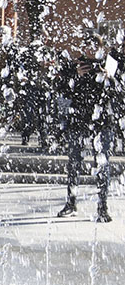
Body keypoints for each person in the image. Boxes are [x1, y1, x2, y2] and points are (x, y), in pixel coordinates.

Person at [56, 32, 115, 222]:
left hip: (102, 121)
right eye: (88, 46)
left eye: (95, 47)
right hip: (78, 119)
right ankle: (71, 202)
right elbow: (60, 87)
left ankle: (102, 206)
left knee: (103, 163)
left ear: (101, 48)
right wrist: (75, 74)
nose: (91, 51)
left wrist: (109, 77)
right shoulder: (75, 65)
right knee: (74, 162)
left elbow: (119, 92)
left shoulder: (109, 64)